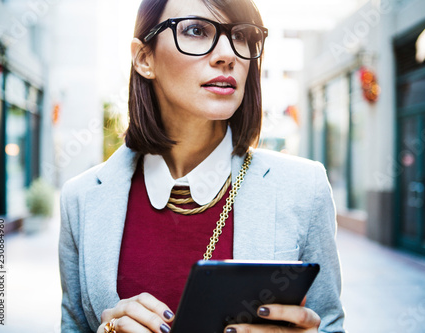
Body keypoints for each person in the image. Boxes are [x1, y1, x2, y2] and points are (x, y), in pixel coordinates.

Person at [58, 0, 346, 332]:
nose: (229, 54)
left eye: (242, 36)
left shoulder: (304, 187)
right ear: (144, 58)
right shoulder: (80, 199)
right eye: (196, 30)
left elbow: (329, 323)